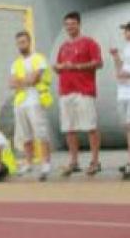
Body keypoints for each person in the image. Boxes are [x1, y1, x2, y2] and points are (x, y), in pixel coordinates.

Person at [54, 11, 103, 176]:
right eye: (67, 24)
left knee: (90, 127)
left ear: (79, 24)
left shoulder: (89, 43)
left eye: (72, 24)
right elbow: (60, 66)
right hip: (66, 92)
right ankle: (73, 162)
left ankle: (95, 161)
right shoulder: (63, 46)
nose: (69, 27)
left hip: (84, 91)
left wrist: (76, 67)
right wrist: (58, 68)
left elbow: (98, 63)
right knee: (69, 128)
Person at [9, 30, 53, 180]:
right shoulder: (16, 63)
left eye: (23, 42)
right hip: (20, 102)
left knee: (41, 132)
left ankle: (46, 162)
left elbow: (34, 79)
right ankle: (28, 162)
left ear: (30, 42)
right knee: (25, 134)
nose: (21, 45)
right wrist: (24, 80)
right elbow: (11, 83)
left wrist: (21, 81)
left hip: (35, 99)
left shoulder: (39, 59)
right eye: (19, 42)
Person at [108, 21, 130, 176]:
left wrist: (127, 74)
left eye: (128, 30)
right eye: (126, 30)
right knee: (128, 128)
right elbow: (120, 69)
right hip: (123, 92)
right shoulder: (126, 48)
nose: (126, 33)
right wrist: (115, 57)